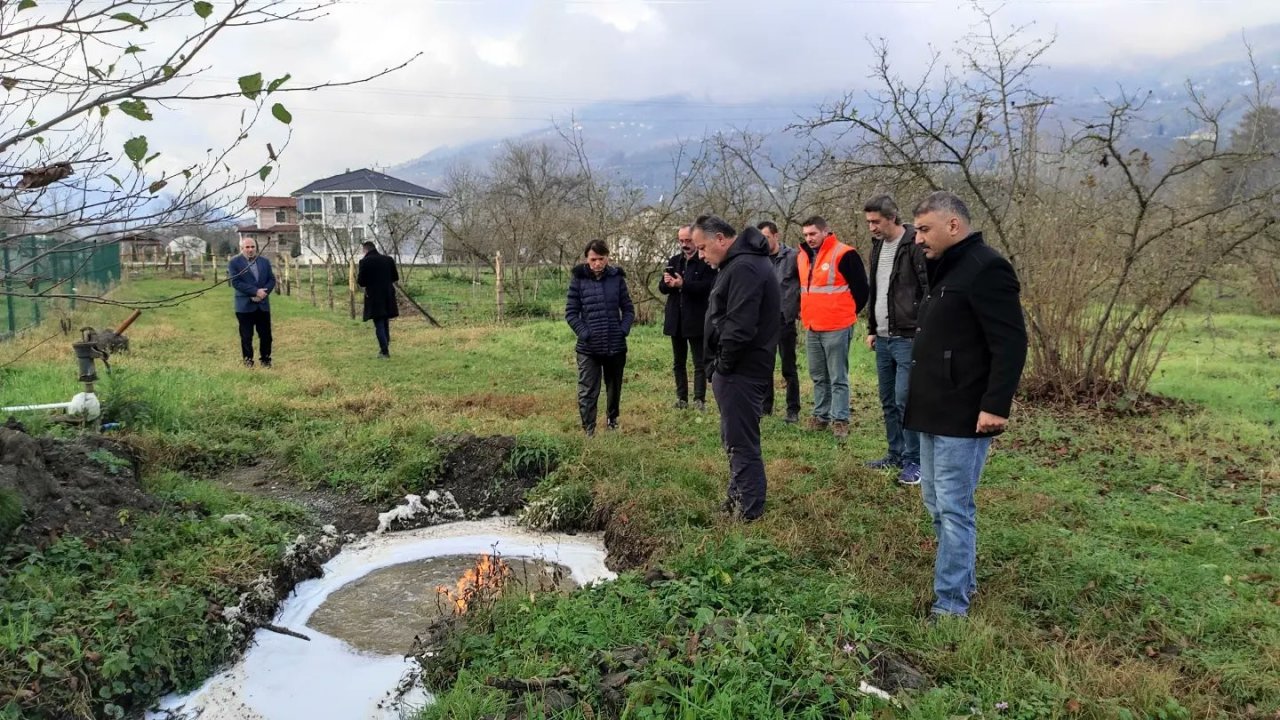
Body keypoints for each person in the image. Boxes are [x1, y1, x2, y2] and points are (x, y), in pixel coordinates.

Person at [904, 191, 1027, 620]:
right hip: (931, 408)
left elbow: (1010, 343)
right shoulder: (942, 267)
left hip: (963, 413)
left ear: (953, 225)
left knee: (955, 510)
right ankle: (962, 583)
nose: (917, 238)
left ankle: (950, 605)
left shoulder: (986, 268)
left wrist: (996, 406)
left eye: (924, 229)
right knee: (936, 505)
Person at [693, 215, 780, 522]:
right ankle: (737, 497)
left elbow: (739, 326)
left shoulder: (744, 267)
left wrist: (723, 366)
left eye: (703, 248)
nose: (701, 256)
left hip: (741, 370)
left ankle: (749, 511)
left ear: (720, 239)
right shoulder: (740, 263)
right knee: (734, 438)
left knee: (741, 442)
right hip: (738, 369)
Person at [862, 196, 930, 485]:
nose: (871, 228)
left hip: (907, 337)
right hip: (883, 337)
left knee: (906, 400)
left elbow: (927, 288)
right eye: (868, 222)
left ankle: (915, 461)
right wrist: (872, 327)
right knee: (888, 399)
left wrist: (922, 329)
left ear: (892, 218)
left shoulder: (915, 243)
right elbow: (876, 290)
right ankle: (895, 453)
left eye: (875, 222)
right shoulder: (877, 246)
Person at [797, 216, 869, 440]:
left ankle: (840, 420)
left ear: (825, 232)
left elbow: (862, 290)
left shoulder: (845, 253)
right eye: (806, 234)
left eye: (813, 234)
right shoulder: (802, 256)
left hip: (837, 326)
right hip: (812, 325)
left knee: (838, 376)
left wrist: (846, 313)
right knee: (818, 376)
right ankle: (820, 416)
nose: (809, 238)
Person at [565, 240, 635, 436]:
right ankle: (589, 428)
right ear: (586, 259)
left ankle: (612, 420)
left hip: (615, 344)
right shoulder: (578, 279)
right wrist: (584, 333)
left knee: (614, 386)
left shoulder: (617, 278)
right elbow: (571, 313)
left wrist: (623, 329)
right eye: (592, 259)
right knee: (587, 389)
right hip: (588, 347)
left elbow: (628, 309)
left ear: (607, 258)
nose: (597, 263)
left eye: (600, 259)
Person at [658, 225, 717, 411]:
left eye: (688, 241)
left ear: (695, 239)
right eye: (681, 241)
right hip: (676, 319)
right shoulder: (674, 261)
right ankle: (681, 398)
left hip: (696, 319)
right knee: (678, 362)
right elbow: (662, 288)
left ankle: (699, 399)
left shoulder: (705, 262)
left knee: (699, 362)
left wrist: (684, 284)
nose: (685, 244)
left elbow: (709, 287)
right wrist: (668, 283)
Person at [759, 221, 800, 424]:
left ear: (776, 235)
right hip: (764, 321)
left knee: (788, 367)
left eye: (765, 237)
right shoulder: (759, 259)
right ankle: (766, 407)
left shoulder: (793, 257)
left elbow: (804, 283)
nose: (763, 242)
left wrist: (798, 309)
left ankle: (793, 409)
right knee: (765, 365)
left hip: (785, 320)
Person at [228, 238, 276, 368]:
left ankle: (266, 359)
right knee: (246, 336)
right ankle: (248, 360)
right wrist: (255, 292)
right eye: (247, 247)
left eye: (252, 247)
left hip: (263, 305)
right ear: (241, 248)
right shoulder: (234, 263)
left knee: (266, 335)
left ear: (256, 247)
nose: (250, 250)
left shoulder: (264, 262)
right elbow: (236, 282)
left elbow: (271, 279)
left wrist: (264, 293)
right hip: (244, 306)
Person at [356, 241, 400, 359]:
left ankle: (384, 351)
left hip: (374, 296)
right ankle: (384, 348)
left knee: (379, 323)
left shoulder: (364, 262)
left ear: (365, 250)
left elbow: (361, 281)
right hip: (388, 294)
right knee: (385, 322)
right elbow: (395, 277)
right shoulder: (388, 260)